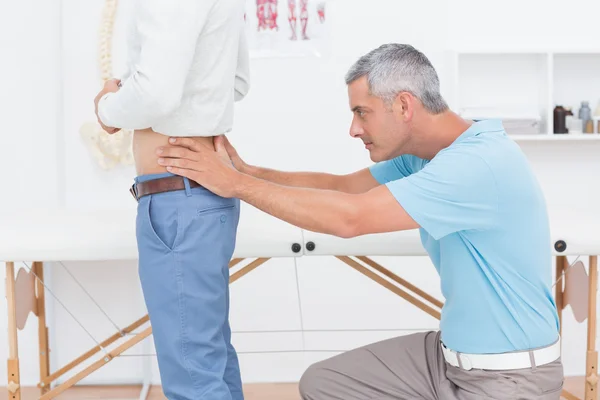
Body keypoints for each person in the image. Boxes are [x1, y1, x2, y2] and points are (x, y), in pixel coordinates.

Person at [155, 43, 565, 399]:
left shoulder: (476, 165)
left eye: (362, 113)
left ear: (404, 105)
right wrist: (247, 171)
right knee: (325, 383)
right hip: (448, 360)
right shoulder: (427, 155)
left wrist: (235, 185)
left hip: (509, 380)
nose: (353, 129)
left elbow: (351, 218)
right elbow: (342, 188)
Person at [93, 0, 250, 399]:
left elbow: (158, 93)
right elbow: (236, 82)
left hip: (177, 198)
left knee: (192, 376)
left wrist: (108, 109)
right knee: (207, 358)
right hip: (202, 198)